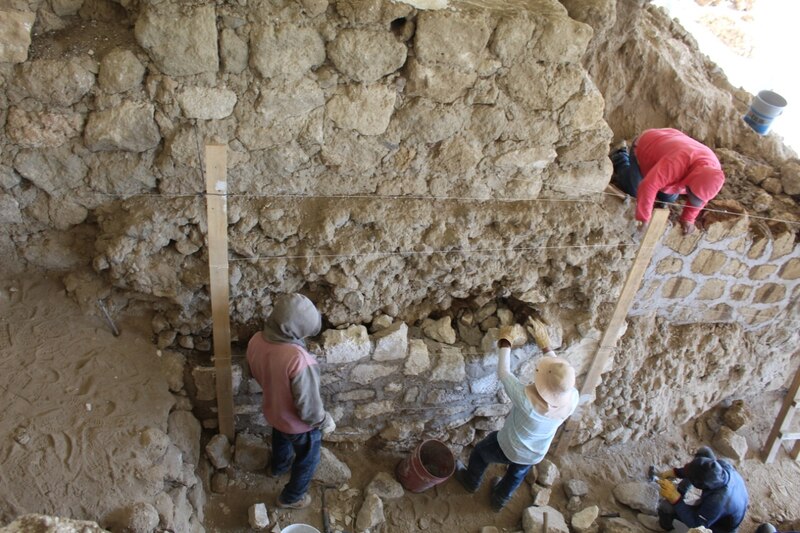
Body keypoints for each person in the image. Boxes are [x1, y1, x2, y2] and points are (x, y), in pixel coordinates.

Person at [454, 318, 579, 511]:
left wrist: (506, 340)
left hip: (508, 445)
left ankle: (470, 482)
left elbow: (504, 373)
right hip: (535, 453)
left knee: (480, 453)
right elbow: (559, 381)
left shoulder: (526, 401)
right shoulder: (572, 398)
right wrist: (545, 346)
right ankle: (500, 501)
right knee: (516, 474)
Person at [246, 293, 336, 509]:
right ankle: (292, 497)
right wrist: (324, 421)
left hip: (274, 413)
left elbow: (254, 372)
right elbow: (309, 410)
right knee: (308, 459)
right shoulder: (299, 360)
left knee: (281, 439)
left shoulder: (256, 340)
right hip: (298, 425)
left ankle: (276, 468)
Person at [610, 128, 725, 235]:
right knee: (635, 190)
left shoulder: (712, 174)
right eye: (692, 192)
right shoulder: (677, 163)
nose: (691, 196)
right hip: (647, 146)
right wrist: (644, 219)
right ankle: (620, 156)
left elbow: (702, 196)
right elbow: (649, 185)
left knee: (669, 198)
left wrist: (688, 219)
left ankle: (658, 190)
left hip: (670, 150)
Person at [655, 446, 748, 533]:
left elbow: (697, 524)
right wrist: (676, 472)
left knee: (666, 507)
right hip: (726, 509)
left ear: (701, 485)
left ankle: (663, 527)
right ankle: (681, 490)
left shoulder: (716, 501)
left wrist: (676, 499)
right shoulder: (723, 466)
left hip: (718, 527)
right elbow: (700, 469)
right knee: (704, 451)